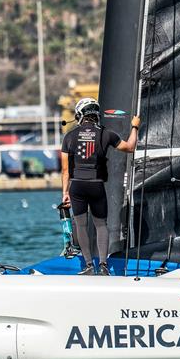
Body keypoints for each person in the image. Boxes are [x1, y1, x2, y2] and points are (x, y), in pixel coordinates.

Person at [61, 98, 139, 276]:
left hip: (77, 187)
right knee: (101, 225)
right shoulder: (106, 134)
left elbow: (65, 170)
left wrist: (64, 193)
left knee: (81, 226)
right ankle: (103, 266)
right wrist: (134, 126)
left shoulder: (69, 137)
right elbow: (130, 147)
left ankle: (89, 266)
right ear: (96, 115)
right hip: (96, 186)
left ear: (80, 115)